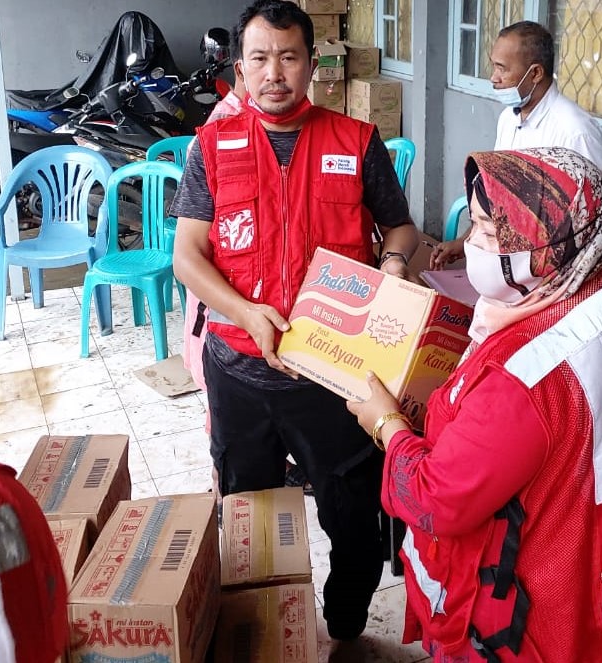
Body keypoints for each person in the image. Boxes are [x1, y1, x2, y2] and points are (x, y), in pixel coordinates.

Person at [348, 147, 602, 662]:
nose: (471, 243)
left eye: (488, 231)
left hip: (525, 616)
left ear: (543, 246)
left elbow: (438, 500)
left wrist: (387, 423)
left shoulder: (524, 379)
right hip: (596, 568)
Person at [170, 0, 420, 642]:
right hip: (239, 371)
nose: (273, 72)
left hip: (333, 380)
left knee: (355, 517)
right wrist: (247, 312)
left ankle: (345, 624)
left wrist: (391, 265)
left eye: (288, 57)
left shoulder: (356, 141)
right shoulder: (211, 146)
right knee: (249, 519)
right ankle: (260, 631)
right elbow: (187, 258)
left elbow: (399, 226)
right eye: (259, 58)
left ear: (313, 65)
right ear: (240, 66)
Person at [431, 21, 602, 270]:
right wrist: (466, 242)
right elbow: (495, 197)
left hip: (551, 274)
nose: (494, 78)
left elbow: (593, 222)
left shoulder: (574, 131)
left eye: (502, 68)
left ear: (535, 73)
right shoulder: (509, 119)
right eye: (493, 66)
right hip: (508, 268)